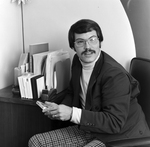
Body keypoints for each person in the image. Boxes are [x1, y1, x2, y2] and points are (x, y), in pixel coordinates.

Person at [28, 19, 150, 147]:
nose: (87, 47)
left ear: (100, 42)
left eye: (92, 40)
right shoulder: (77, 61)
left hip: (121, 135)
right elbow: (72, 92)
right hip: (90, 127)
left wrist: (70, 113)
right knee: (36, 142)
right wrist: (58, 111)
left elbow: (114, 122)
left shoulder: (114, 75)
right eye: (81, 42)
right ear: (73, 46)